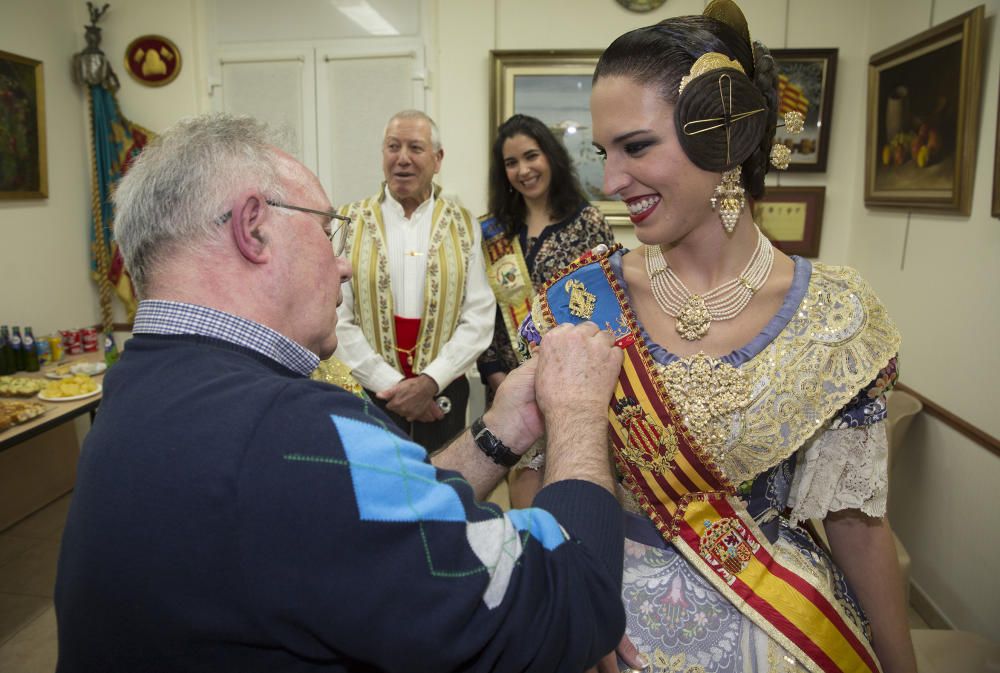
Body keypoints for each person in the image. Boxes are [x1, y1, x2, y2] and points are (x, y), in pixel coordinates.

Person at [53, 113, 630, 673]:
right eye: (327, 233)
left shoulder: (142, 380)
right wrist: (577, 412)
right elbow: (568, 605)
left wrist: (503, 431)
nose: (344, 266)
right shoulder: (289, 430)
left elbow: (367, 514)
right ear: (253, 228)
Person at [516, 2, 918, 672]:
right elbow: (532, 479)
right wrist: (567, 613)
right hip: (606, 620)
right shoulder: (579, 300)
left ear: (726, 137)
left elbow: (854, 522)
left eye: (636, 147)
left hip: (781, 621)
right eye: (603, 153)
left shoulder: (836, 316)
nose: (610, 184)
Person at [334, 110, 495, 452]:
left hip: (444, 393)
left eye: (415, 148)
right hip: (370, 392)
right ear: (382, 155)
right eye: (393, 147)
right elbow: (337, 316)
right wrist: (391, 385)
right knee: (375, 493)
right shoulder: (350, 220)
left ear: (437, 160)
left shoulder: (464, 223)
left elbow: (479, 314)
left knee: (445, 486)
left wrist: (430, 382)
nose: (402, 158)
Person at [478, 114, 616, 505]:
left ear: (551, 157)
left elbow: (606, 309)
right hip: (507, 391)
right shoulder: (494, 231)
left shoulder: (588, 223)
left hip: (573, 388)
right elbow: (482, 311)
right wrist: (495, 375)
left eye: (531, 156)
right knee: (524, 514)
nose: (523, 170)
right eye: (511, 163)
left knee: (571, 502)